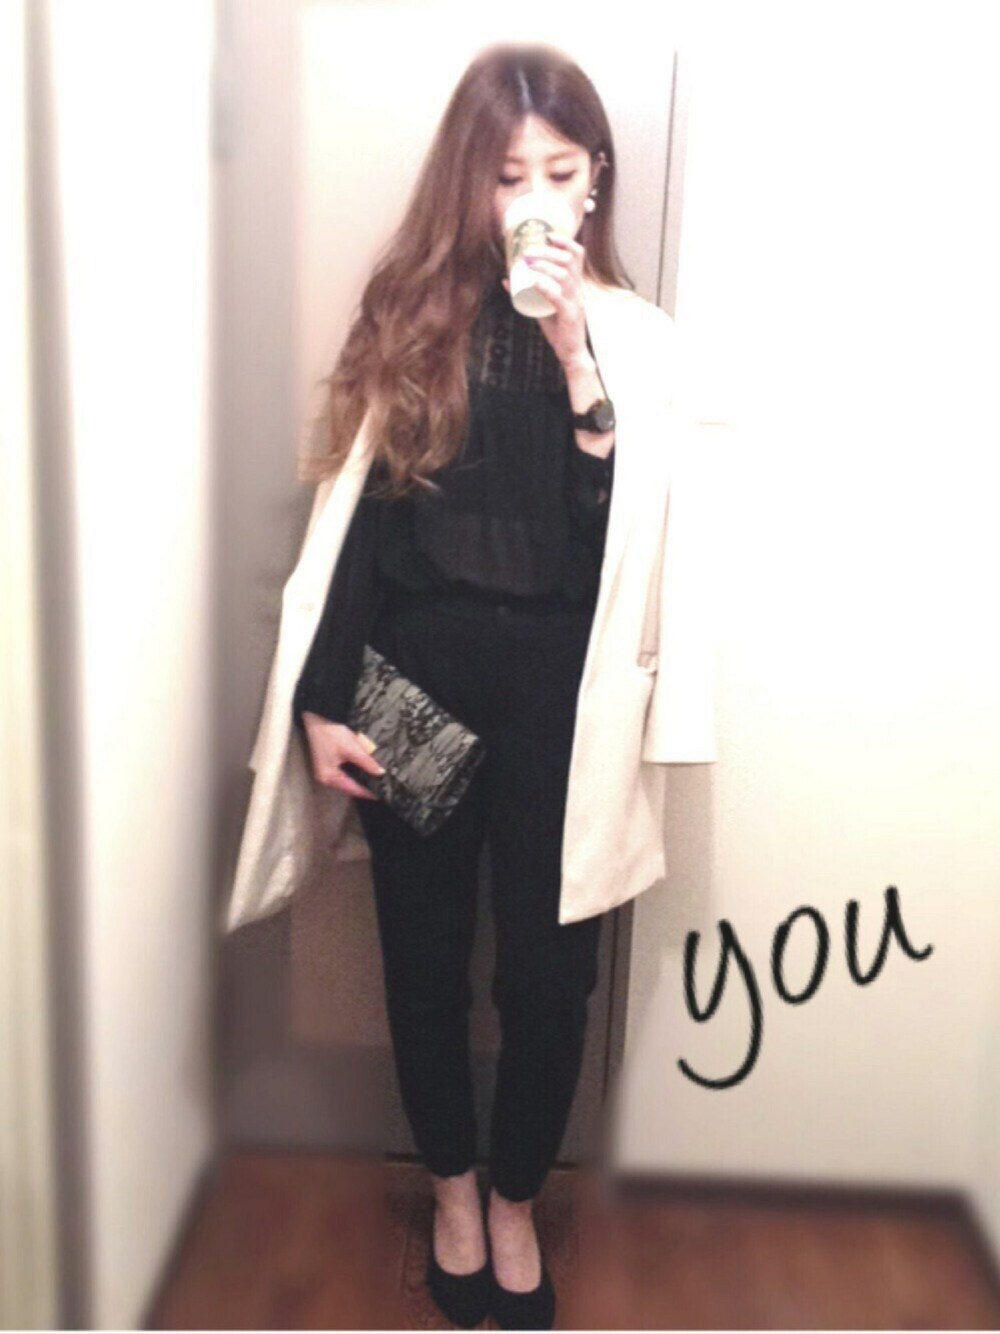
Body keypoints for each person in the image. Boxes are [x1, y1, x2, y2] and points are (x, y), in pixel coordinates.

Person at [222, 38, 717, 1332]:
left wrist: (574, 356)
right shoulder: (413, 313)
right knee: (425, 961)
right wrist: (324, 699)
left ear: (597, 178)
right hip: (416, 680)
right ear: (472, 183)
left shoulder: (638, 342)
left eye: (560, 170)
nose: (535, 197)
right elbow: (360, 523)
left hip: (563, 692)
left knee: (552, 984)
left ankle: (514, 1197)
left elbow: (625, 556)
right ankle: (449, 1186)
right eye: (508, 175)